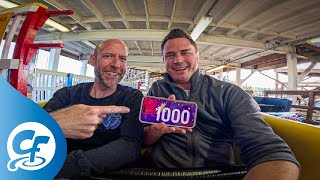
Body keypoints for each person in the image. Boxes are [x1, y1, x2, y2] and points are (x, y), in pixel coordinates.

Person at [143, 29, 300, 179]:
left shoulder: (228, 92)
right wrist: (155, 132)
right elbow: (144, 139)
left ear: (197, 56)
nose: (178, 60)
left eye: (185, 53)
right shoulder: (156, 90)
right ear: (163, 60)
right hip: (163, 173)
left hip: (218, 174)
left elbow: (264, 146)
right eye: (170, 55)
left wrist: (276, 161)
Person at [43, 39, 144, 179]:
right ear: (92, 59)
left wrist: (68, 167)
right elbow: (37, 130)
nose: (116, 64)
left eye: (122, 59)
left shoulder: (132, 98)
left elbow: (131, 145)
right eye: (107, 56)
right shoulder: (67, 95)